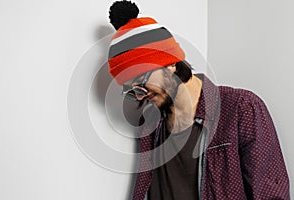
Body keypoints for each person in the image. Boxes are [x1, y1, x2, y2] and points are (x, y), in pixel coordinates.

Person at [107, 1, 290, 199]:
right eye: (132, 90)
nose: (140, 96)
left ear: (169, 64)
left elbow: (271, 194)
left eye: (141, 81)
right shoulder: (150, 125)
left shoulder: (241, 109)